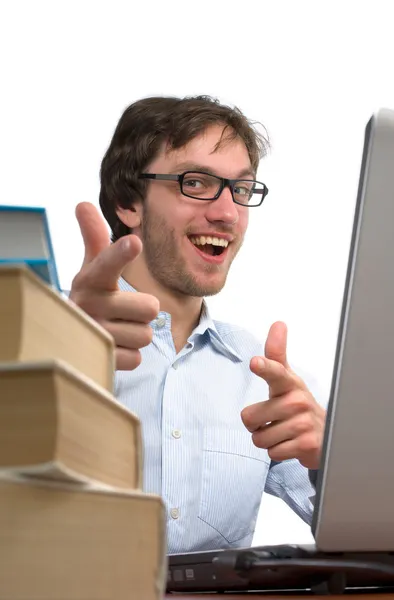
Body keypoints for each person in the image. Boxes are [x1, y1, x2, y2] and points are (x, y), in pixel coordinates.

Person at [69, 95, 326, 554]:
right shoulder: (41, 338)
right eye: (196, 182)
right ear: (129, 202)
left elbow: (374, 533)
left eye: (241, 189)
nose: (227, 212)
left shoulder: (262, 377)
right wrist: (53, 354)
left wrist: (332, 462)